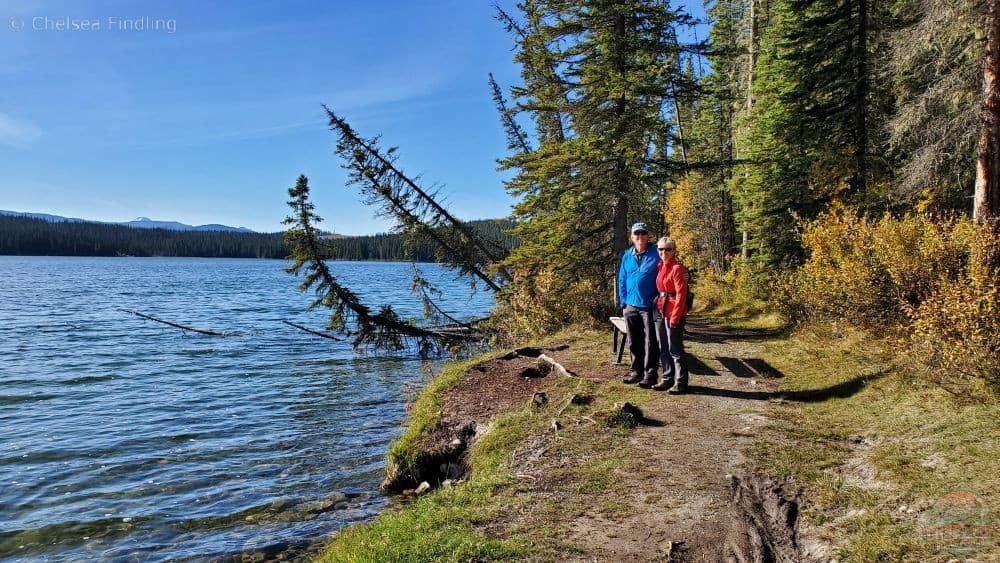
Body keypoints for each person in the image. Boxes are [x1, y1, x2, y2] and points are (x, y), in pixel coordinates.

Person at [618, 223, 661, 386]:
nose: (640, 236)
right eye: (637, 233)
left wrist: (686, 275)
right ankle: (636, 371)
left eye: (643, 233)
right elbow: (622, 278)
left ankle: (650, 375)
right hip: (630, 305)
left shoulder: (657, 252)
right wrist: (623, 301)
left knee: (650, 342)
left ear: (648, 236)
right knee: (633, 340)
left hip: (649, 305)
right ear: (632, 236)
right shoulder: (627, 255)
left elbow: (670, 268)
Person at [652, 237, 690, 393]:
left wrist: (675, 317)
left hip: (674, 312)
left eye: (668, 249)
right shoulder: (661, 266)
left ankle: (680, 382)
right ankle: (667, 379)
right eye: (661, 249)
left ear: (674, 251)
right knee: (663, 347)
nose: (664, 252)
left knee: (675, 349)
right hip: (661, 310)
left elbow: (681, 294)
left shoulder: (677, 268)